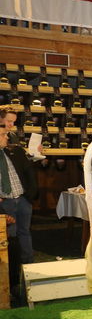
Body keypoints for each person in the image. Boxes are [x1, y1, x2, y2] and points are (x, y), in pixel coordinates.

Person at [0, 106, 37, 265]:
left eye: (13, 122)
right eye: (8, 121)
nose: (10, 126)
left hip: (22, 197)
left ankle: (28, 267)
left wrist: (34, 155)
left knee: (24, 232)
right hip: (5, 200)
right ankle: (12, 270)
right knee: (10, 237)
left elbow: (23, 165)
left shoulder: (12, 138)